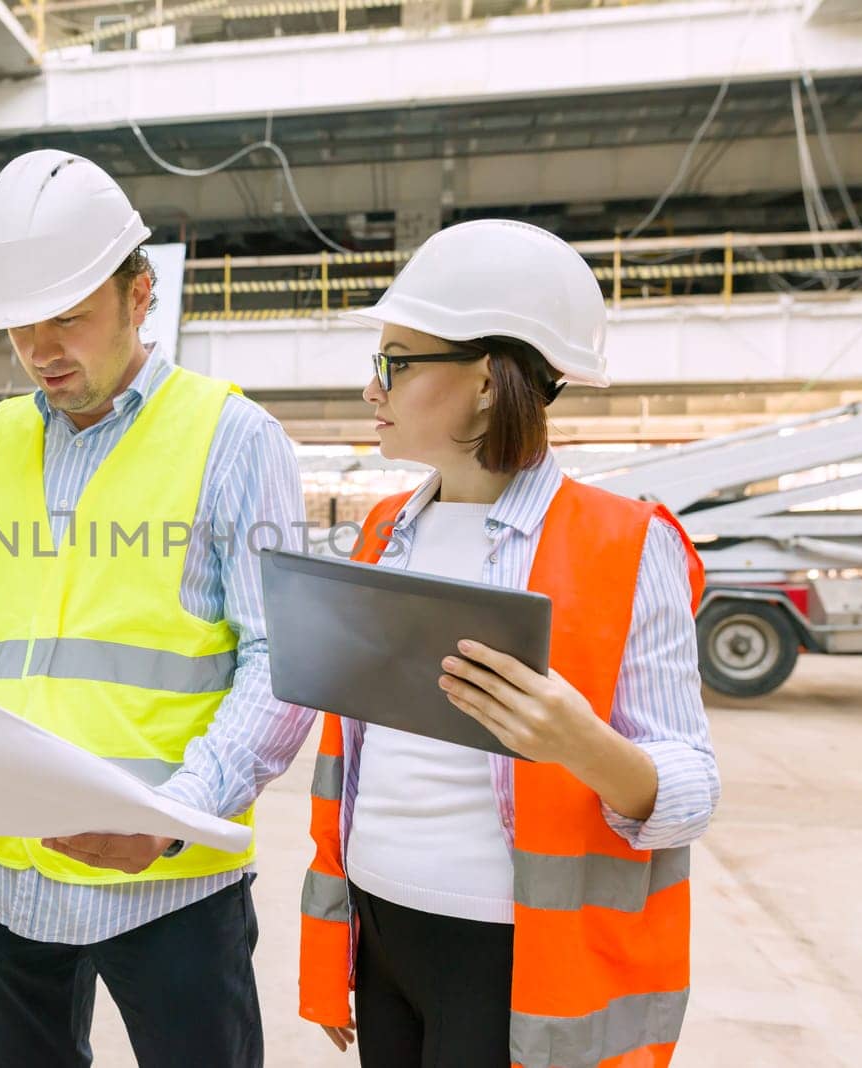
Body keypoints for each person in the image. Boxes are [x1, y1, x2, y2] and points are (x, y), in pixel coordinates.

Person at [0, 149, 312, 1068]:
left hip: (168, 887)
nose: (41, 353)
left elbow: (284, 662)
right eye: (21, 328)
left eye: (68, 318)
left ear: (141, 294)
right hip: (3, 872)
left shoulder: (234, 438)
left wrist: (178, 814)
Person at [295, 219, 719, 1068]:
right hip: (380, 928)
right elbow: (357, 761)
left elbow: (692, 791)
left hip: (503, 951)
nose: (371, 389)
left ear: (486, 381)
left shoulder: (629, 543)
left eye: (395, 361)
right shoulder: (386, 530)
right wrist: (334, 942)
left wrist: (584, 746)